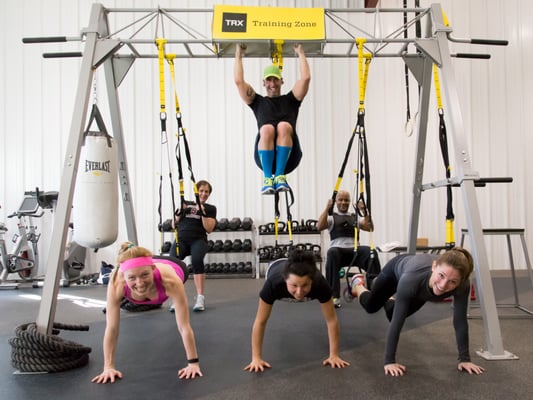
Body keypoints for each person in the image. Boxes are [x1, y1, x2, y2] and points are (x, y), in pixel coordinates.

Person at [349, 247, 485, 377]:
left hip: (419, 290)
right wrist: (389, 361)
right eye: (441, 275)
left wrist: (465, 359)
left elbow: (460, 320)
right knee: (371, 307)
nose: (443, 285)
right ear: (434, 267)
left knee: (391, 313)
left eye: (452, 282)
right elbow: (397, 322)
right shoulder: (412, 279)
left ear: (461, 281)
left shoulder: (463, 285)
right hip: (396, 272)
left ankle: (392, 298)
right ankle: (358, 285)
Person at [92, 242, 202, 384]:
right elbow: (112, 328)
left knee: (142, 278)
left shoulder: (171, 282)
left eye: (145, 275)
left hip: (174, 266)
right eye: (132, 278)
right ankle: (138, 275)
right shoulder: (116, 283)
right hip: (141, 266)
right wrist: (108, 367)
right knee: (136, 279)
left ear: (152, 269)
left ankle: (142, 273)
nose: (140, 283)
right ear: (124, 276)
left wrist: (193, 363)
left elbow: (184, 326)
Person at [244, 249, 350, 373]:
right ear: (285, 281)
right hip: (276, 266)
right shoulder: (273, 284)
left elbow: (331, 320)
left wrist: (334, 355)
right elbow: (260, 321)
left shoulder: (320, 284)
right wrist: (256, 358)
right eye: (294, 285)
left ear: (312, 281)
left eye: (305, 285)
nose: (299, 292)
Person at [234, 43, 311, 194]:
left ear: (281, 81)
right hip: (264, 157)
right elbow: (239, 82)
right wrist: (238, 54)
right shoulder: (257, 102)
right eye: (269, 80)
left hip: (290, 157)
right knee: (267, 128)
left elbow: (306, 78)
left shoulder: (291, 100)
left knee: (283, 126)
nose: (272, 84)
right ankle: (268, 179)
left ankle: (280, 176)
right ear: (264, 83)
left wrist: (300, 52)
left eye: (275, 80)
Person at [317, 190, 381, 308]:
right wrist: (327, 208)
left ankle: (376, 290)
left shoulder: (355, 217)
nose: (343, 202)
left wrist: (364, 211)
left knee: (371, 252)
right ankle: (334, 296)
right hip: (338, 252)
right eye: (340, 200)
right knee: (332, 252)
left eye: (346, 200)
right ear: (335, 202)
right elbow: (319, 226)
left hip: (355, 251)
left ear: (349, 201)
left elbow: (370, 228)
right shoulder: (331, 218)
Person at [170, 180, 216, 312]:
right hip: (182, 239)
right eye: (201, 191)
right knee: (173, 262)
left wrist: (203, 213)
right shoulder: (185, 204)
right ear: (197, 192)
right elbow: (173, 224)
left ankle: (200, 297)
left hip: (198, 239)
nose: (203, 194)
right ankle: (176, 298)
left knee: (196, 260)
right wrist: (179, 211)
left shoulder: (210, 208)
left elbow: (209, 229)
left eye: (206, 192)